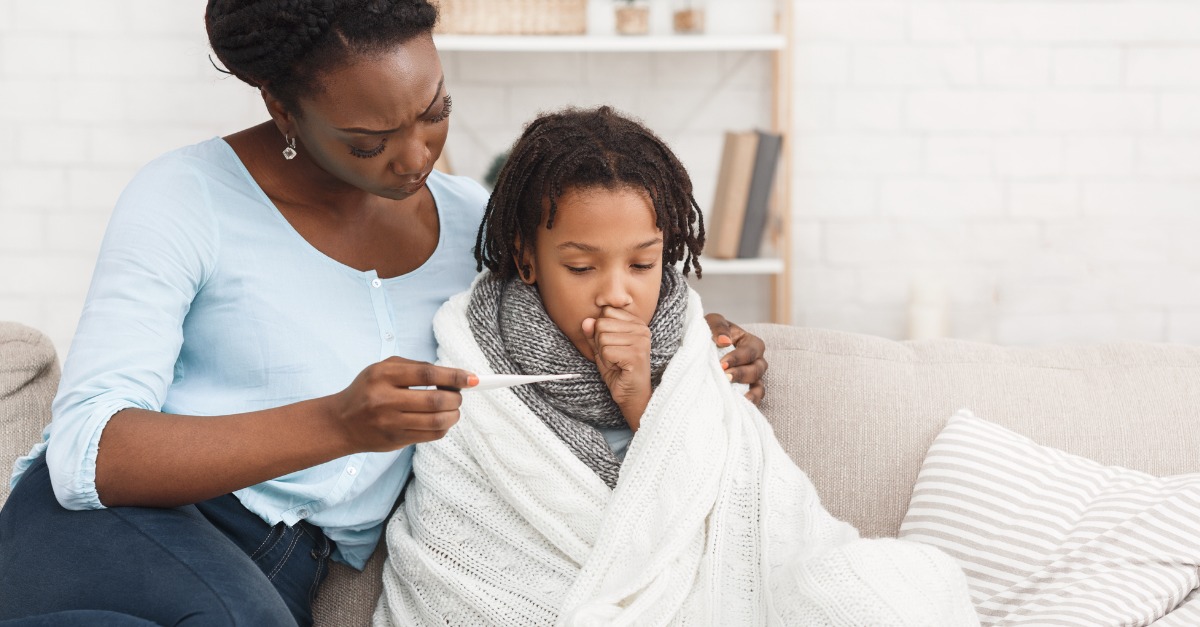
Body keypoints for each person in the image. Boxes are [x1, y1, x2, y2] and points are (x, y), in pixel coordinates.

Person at [0, 2, 768, 626]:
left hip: (283, 568)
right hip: (115, 531)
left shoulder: (481, 225)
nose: (414, 156)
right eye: (368, 141)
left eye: (434, 111)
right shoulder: (185, 198)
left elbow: (589, 299)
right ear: (282, 109)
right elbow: (85, 454)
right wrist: (337, 422)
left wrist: (698, 344)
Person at [373, 106, 979, 626]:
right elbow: (460, 538)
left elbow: (747, 510)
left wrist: (642, 396)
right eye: (582, 268)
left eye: (642, 265)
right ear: (526, 258)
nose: (618, 293)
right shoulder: (472, 353)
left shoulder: (693, 343)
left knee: (895, 586)